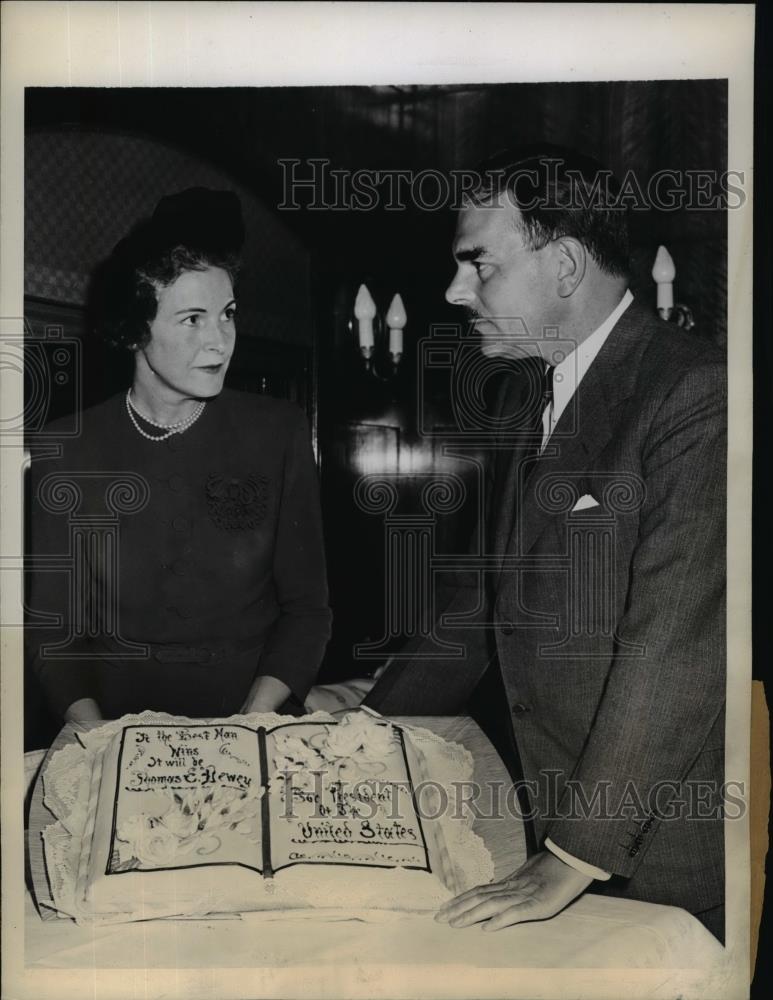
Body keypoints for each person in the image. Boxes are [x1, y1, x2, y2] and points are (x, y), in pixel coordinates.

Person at [365, 146, 726, 941]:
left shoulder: (695, 394)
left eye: (477, 264)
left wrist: (570, 856)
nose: (454, 290)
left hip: (648, 860)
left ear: (562, 264)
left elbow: (674, 649)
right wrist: (369, 727)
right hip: (542, 818)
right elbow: (480, 602)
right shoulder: (526, 396)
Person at [26, 188, 331, 723]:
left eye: (228, 314)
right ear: (134, 329)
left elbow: (307, 612)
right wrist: (94, 734)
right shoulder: (67, 449)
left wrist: (252, 719)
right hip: (111, 724)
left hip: (253, 713)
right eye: (193, 319)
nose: (221, 341)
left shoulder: (277, 432)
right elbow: (53, 628)